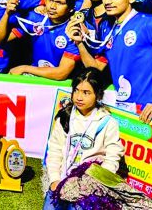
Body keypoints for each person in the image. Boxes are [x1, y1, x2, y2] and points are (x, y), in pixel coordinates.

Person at [44, 69, 127, 210]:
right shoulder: (65, 117)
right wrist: (54, 179)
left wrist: (96, 183)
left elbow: (113, 157)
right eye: (76, 91)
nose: (79, 97)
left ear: (98, 95)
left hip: (90, 187)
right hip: (63, 179)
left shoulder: (108, 122)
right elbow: (54, 150)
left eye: (86, 93)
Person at [0, 0, 81, 81]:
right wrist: (7, 14)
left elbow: (61, 74)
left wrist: (24, 68)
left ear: (71, 8)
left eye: (59, 3)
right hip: (35, 78)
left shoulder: (73, 31)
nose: (52, 6)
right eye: (50, 0)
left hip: (60, 84)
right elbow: (1, 39)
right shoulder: (36, 18)